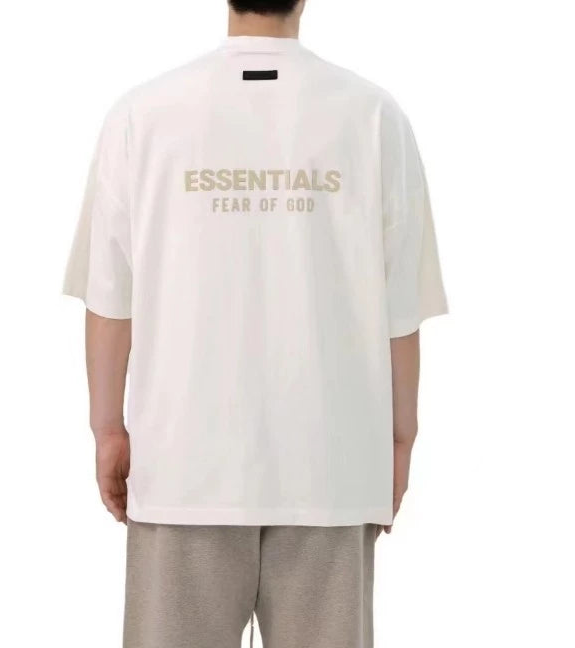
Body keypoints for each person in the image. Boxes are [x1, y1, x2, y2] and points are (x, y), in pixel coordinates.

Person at [63, 1, 447, 646]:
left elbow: (110, 300)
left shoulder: (142, 115)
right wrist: (399, 440)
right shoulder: (373, 117)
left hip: (182, 466)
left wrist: (108, 429)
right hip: (330, 468)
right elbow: (400, 309)